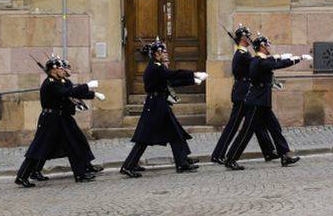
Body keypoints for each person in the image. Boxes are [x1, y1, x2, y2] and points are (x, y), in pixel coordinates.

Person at [120, 38, 207, 178]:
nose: (166, 54)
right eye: (163, 52)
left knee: (175, 132)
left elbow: (171, 81)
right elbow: (173, 75)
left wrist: (193, 81)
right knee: (144, 138)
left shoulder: (156, 66)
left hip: (159, 103)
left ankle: (182, 162)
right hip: (155, 105)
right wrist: (194, 74)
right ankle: (128, 166)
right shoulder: (156, 67)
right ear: (156, 54)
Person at [15, 55, 106, 187]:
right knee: (39, 148)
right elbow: (66, 93)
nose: (63, 70)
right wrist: (87, 86)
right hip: (50, 119)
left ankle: (80, 173)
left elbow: (72, 92)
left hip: (62, 118)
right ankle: (22, 176)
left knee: (74, 143)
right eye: (60, 69)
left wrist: (93, 94)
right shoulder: (50, 84)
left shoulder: (60, 82)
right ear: (53, 71)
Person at [224, 34, 312, 170]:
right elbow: (276, 65)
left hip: (262, 103)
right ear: (262, 46)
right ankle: (230, 159)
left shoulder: (258, 60)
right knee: (246, 132)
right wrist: (297, 59)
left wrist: (281, 56)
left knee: (275, 128)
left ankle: (284, 155)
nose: (269, 47)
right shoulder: (259, 62)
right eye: (267, 45)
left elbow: (271, 61)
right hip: (256, 103)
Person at [211, 25, 278, 165]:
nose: (250, 38)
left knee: (257, 123)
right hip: (242, 93)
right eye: (248, 36)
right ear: (242, 38)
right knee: (234, 125)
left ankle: (269, 151)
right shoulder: (242, 55)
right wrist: (273, 59)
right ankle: (218, 154)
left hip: (246, 93)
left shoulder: (244, 53)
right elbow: (256, 63)